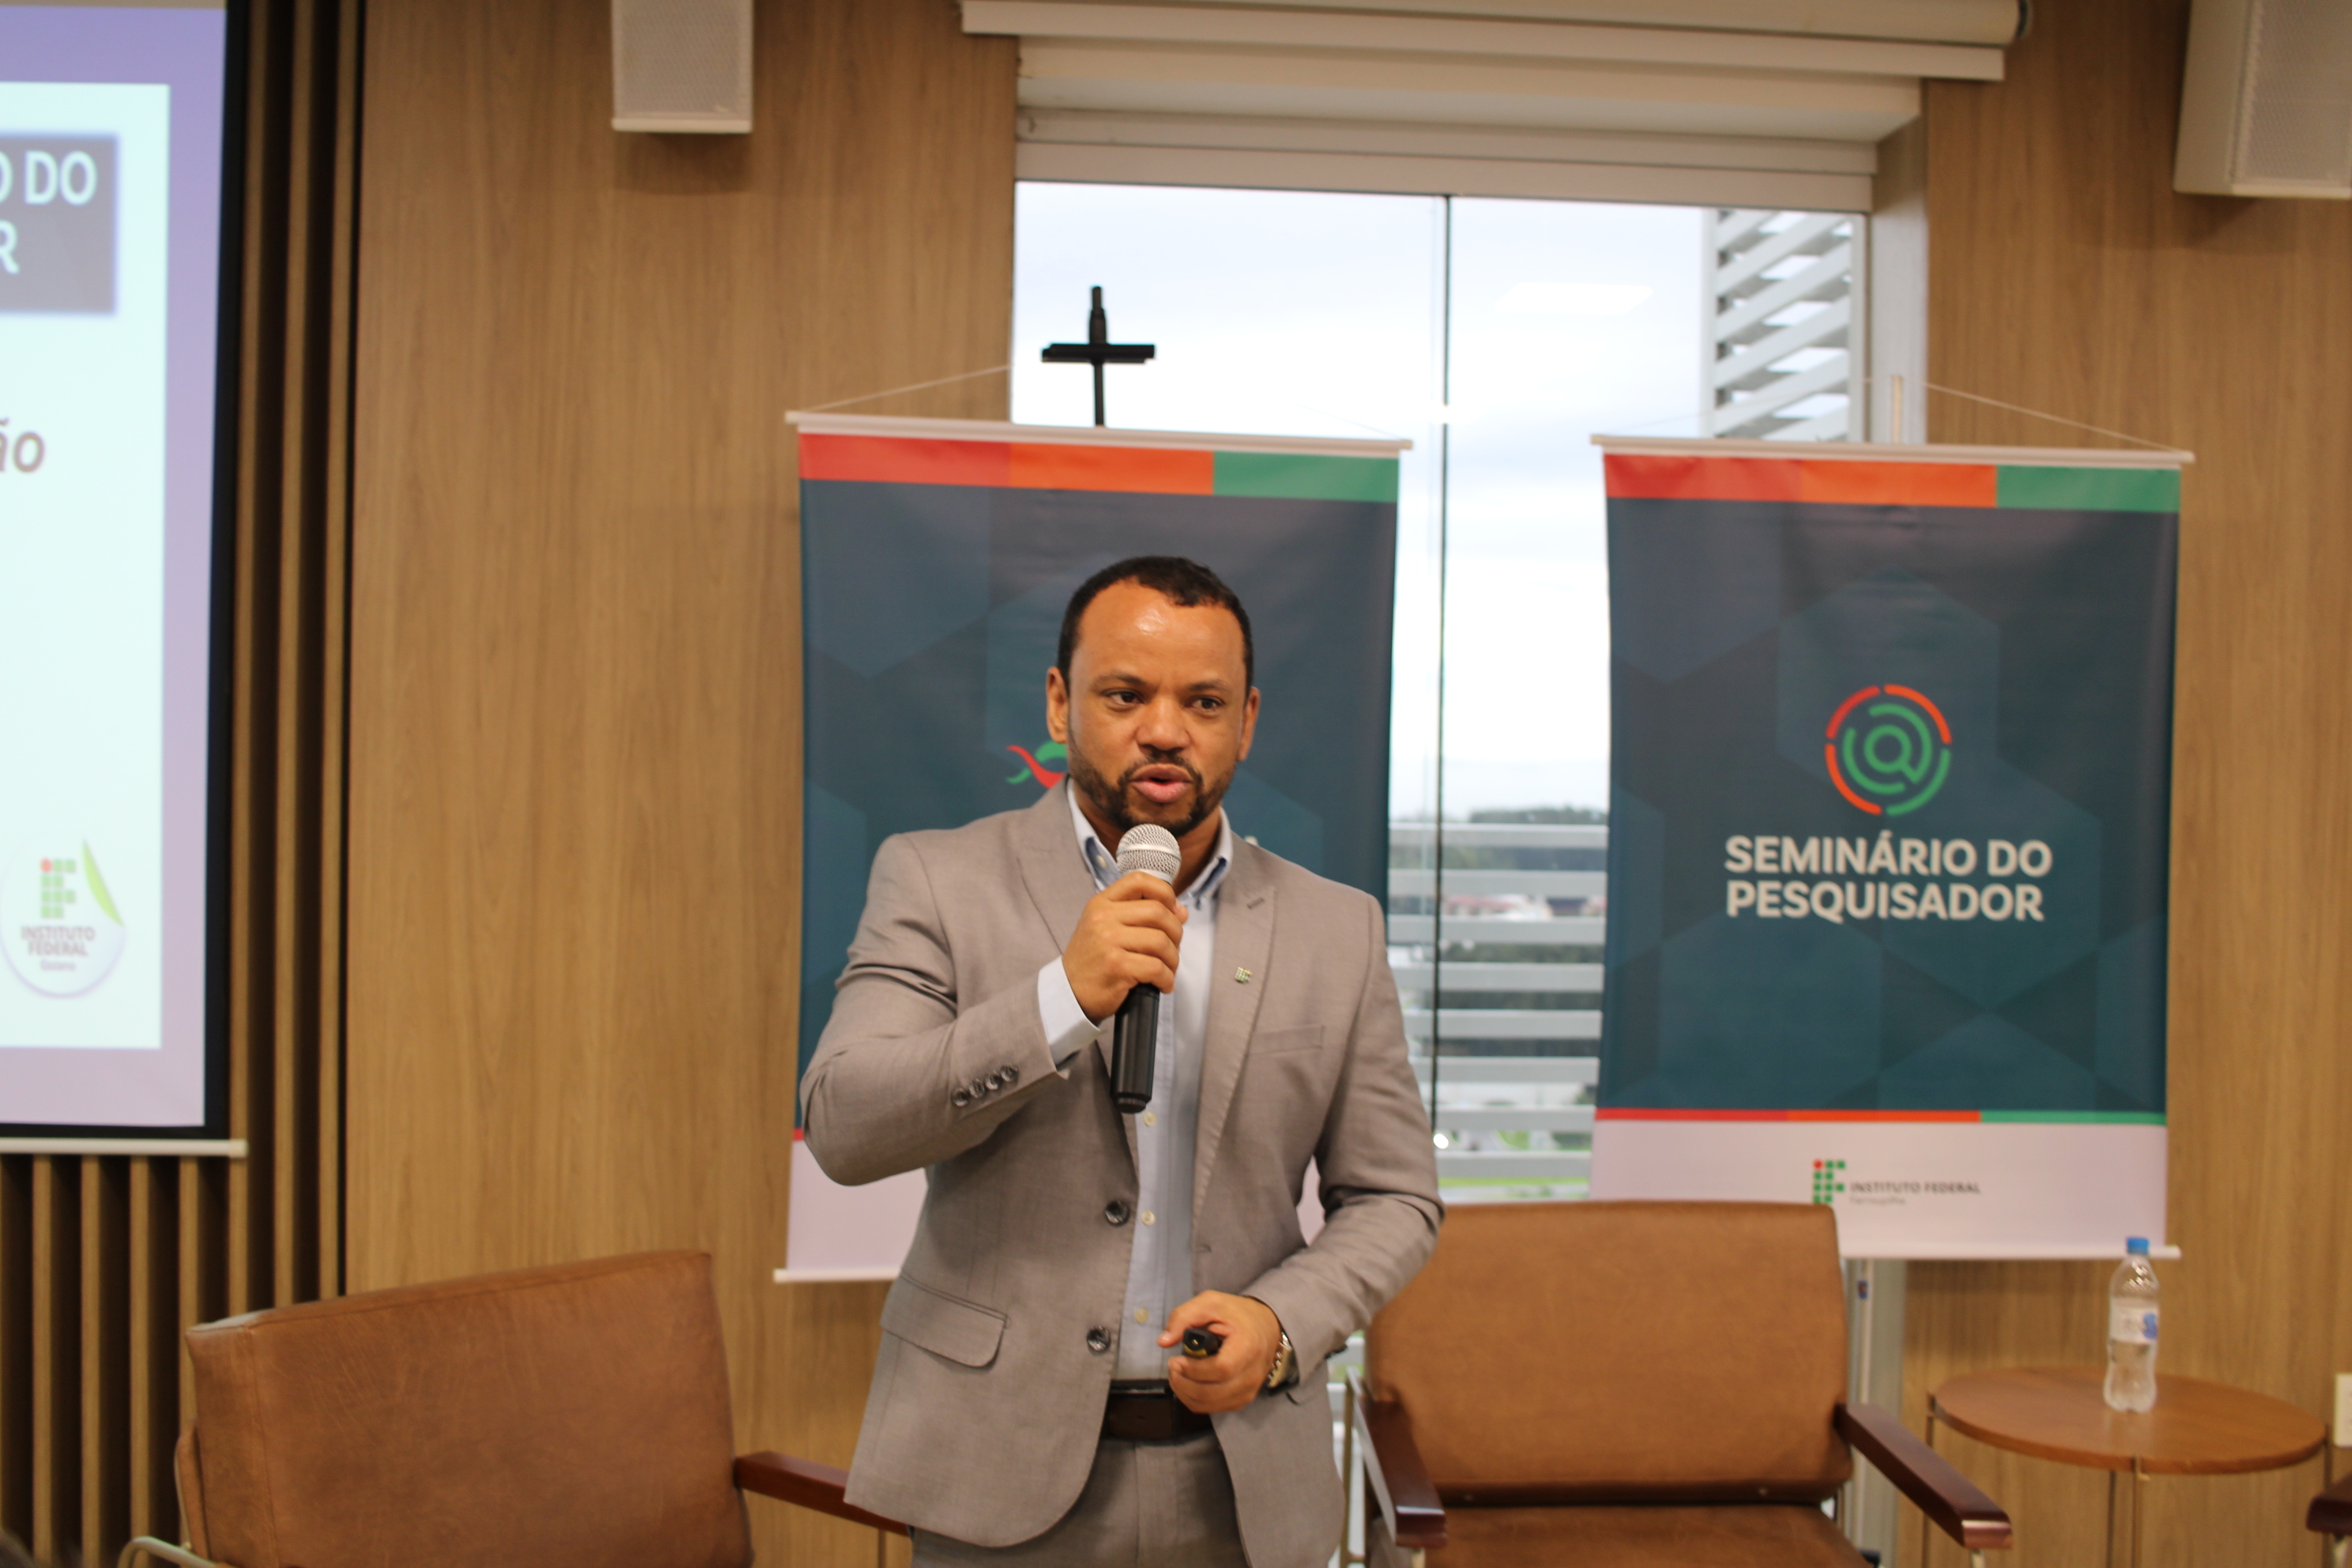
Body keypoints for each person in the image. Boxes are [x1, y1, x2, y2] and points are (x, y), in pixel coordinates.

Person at [801, 555, 1441, 1566]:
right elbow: (845, 1124)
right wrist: (1060, 999)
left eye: (1204, 701)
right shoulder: (934, 878)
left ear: (1247, 721)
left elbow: (1396, 1196)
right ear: (1061, 703)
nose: (1165, 729)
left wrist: (1281, 1323)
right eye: (1126, 694)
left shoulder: (1338, 928)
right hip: (992, 1472)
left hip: (1241, 1485)